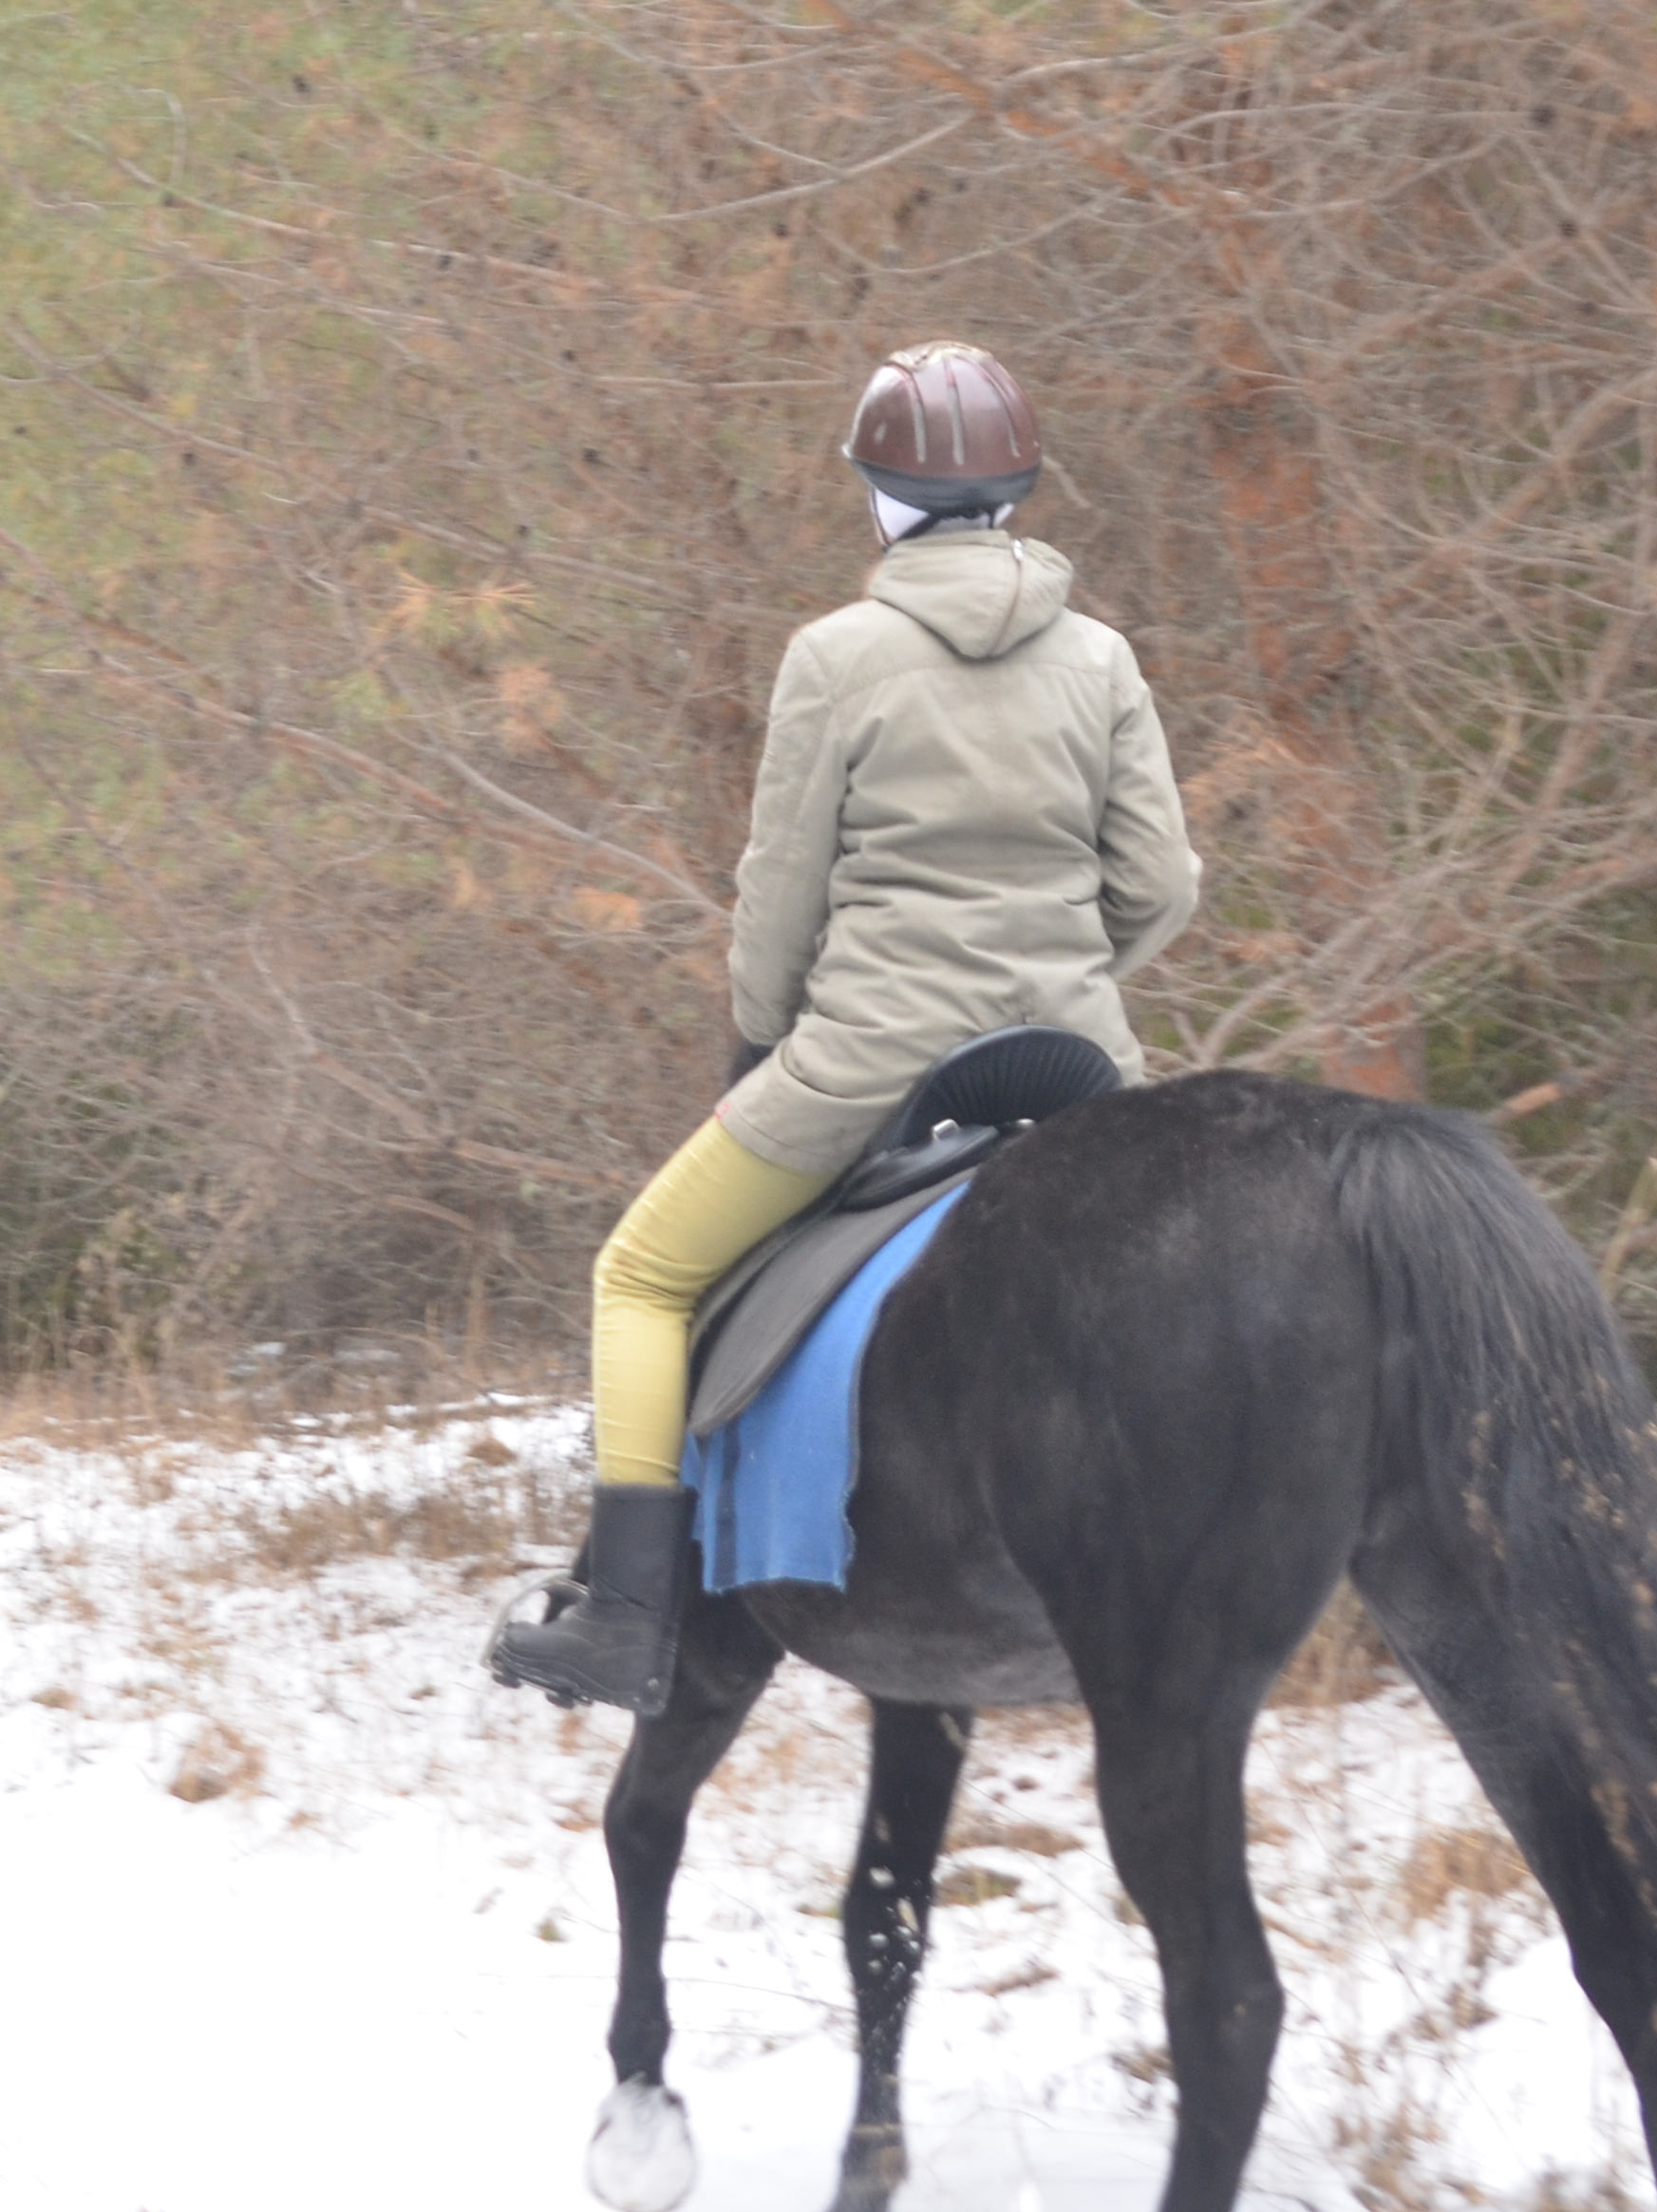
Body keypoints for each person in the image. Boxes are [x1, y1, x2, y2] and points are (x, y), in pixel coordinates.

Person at [490, 339, 1198, 1718]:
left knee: (637, 1273)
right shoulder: (1102, 658)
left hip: (874, 1059)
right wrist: (1062, 967)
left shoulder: (837, 657)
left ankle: (626, 1617)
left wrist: (764, 1041)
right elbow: (1162, 886)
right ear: (1021, 490)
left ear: (878, 494)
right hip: (1080, 1063)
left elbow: (781, 899)